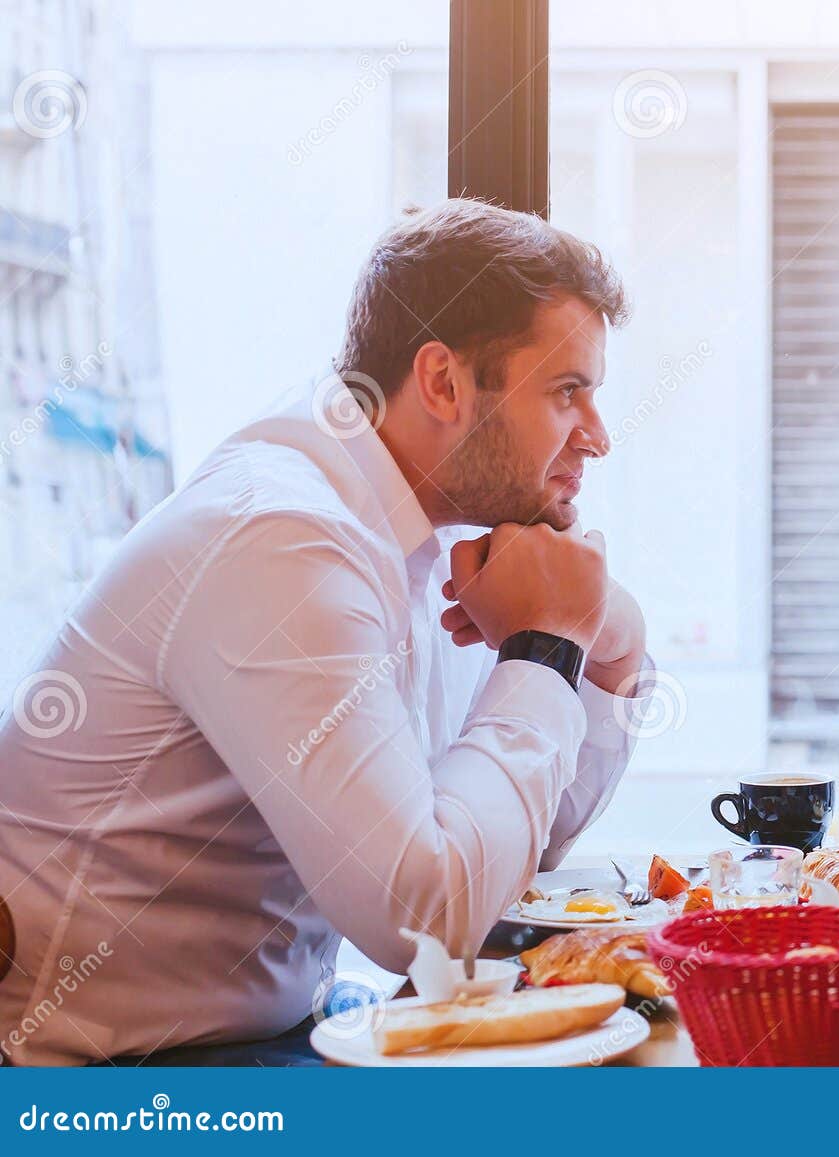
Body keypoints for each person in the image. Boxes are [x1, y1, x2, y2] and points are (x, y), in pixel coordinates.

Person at [0, 199, 652, 1065]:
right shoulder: (284, 537)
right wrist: (545, 647)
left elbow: (505, 855)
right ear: (444, 383)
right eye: (569, 392)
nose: (599, 438)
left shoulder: (423, 534)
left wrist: (609, 647)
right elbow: (423, 920)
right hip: (107, 1073)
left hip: (273, 1029)